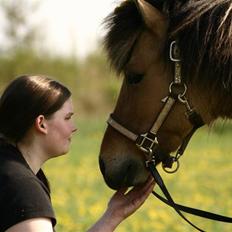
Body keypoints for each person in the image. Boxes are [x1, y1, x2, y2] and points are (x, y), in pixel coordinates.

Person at [0, 75, 155, 232]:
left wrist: (114, 215)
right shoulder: (22, 189)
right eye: (67, 118)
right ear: (41, 123)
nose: (74, 127)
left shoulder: (9, 171)